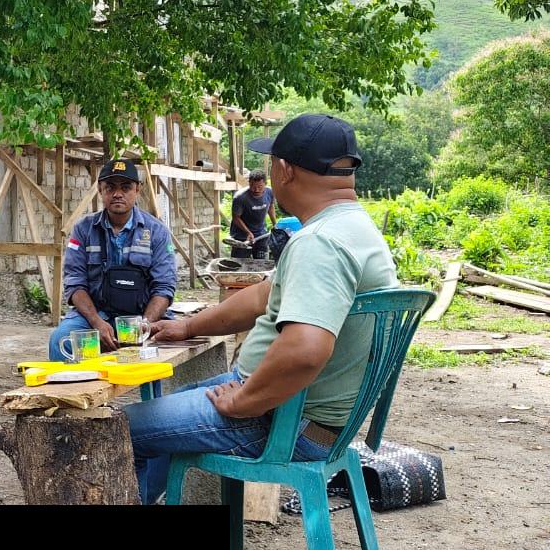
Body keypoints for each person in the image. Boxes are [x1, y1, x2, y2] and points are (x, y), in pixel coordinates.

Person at [124, 114, 396, 503]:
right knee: (164, 412)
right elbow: (260, 297)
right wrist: (186, 327)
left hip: (279, 420)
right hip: (303, 416)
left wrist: (244, 401)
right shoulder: (353, 229)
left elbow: (305, 351)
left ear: (283, 170)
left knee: (116, 429)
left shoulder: (319, 243)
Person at [47, 158, 178, 360]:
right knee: (61, 340)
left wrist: (144, 325)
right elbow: (75, 283)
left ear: (138, 190)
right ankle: (81, 388)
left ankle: (154, 392)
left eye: (126, 187)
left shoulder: (156, 231)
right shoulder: (83, 229)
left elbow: (164, 287)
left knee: (164, 352)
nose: (118, 194)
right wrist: (96, 322)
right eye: (110, 187)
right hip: (96, 317)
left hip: (141, 319)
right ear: (100, 190)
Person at [229, 170, 276, 258]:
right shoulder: (240, 197)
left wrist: (275, 224)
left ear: (265, 184)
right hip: (242, 237)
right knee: (239, 264)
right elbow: (236, 218)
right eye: (252, 186)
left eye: (260, 186)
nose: (256, 190)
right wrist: (248, 232)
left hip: (261, 235)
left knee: (261, 263)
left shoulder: (269, 192)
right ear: (249, 183)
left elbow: (270, 206)